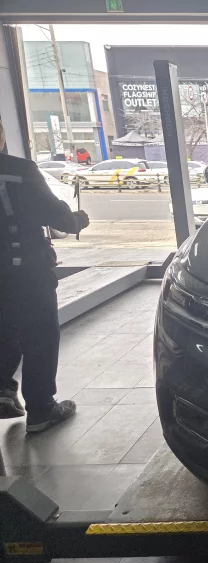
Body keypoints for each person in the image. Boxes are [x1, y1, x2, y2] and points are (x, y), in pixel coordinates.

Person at [0, 119, 90, 432]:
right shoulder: (18, 170)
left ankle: (3, 389)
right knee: (40, 334)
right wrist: (77, 219)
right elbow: (57, 217)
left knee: (4, 329)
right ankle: (41, 409)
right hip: (24, 269)